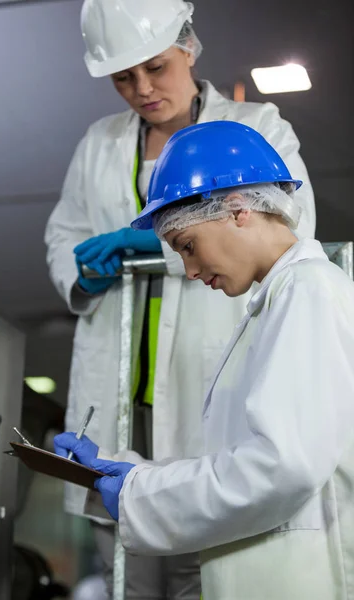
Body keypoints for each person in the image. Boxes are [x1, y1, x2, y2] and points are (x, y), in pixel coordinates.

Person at [45, 0, 316, 596]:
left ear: (188, 49)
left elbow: (287, 224)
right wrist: (81, 274)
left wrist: (149, 243)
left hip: (205, 368)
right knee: (124, 565)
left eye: (156, 68)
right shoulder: (97, 144)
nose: (142, 89)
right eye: (123, 77)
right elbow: (63, 237)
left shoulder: (256, 125)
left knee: (210, 553)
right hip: (120, 388)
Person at [55, 121, 354, 600]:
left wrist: (141, 496)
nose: (189, 271)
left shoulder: (309, 290)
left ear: (237, 210)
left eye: (187, 247)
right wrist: (130, 471)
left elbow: (283, 467)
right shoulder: (275, 302)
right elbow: (240, 461)